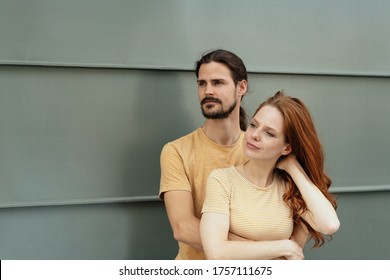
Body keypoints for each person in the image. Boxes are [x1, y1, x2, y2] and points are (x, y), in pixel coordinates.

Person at [200, 91, 340, 260]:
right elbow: (217, 253)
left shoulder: (290, 188)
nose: (254, 135)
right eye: (253, 125)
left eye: (269, 133)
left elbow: (330, 224)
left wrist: (293, 167)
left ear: (287, 148)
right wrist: (284, 247)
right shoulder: (222, 180)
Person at [159, 49, 250, 259]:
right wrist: (262, 250)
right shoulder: (176, 151)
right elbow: (183, 227)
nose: (207, 91)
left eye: (218, 83)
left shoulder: (261, 148)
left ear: (241, 87)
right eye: (202, 83)